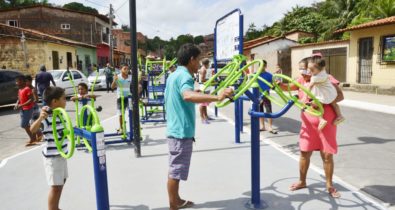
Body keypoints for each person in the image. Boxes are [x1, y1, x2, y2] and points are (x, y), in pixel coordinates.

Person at [165, 43, 233, 210]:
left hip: (175, 128)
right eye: (199, 60)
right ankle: (173, 205)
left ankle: (177, 200)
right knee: (175, 171)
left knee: (176, 169)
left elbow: (186, 94)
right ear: (192, 59)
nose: (199, 64)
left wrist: (206, 94)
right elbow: (187, 95)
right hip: (180, 131)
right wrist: (217, 98)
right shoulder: (186, 76)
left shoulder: (174, 75)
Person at [280, 57, 344, 198]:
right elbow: (287, 88)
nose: (304, 72)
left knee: (326, 154)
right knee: (304, 152)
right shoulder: (301, 80)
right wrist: (277, 84)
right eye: (301, 69)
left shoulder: (325, 78)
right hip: (308, 124)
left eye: (306, 69)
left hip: (326, 122)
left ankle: (329, 185)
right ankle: (302, 181)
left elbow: (340, 96)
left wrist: (320, 101)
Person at [30, 86, 68, 210]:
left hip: (61, 154)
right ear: (55, 102)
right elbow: (33, 129)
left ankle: (56, 207)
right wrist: (41, 117)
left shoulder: (60, 114)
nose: (66, 101)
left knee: (61, 182)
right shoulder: (47, 115)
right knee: (55, 187)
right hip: (53, 157)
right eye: (63, 98)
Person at [305, 56, 345, 130]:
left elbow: (309, 87)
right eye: (308, 68)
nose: (309, 71)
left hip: (324, 94)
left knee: (317, 105)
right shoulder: (323, 72)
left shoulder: (315, 77)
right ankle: (339, 116)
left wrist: (305, 97)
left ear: (319, 69)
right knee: (334, 103)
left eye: (312, 70)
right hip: (330, 91)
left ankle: (321, 119)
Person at [15, 75, 37, 146]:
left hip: (28, 109)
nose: (16, 83)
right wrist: (16, 104)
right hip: (22, 110)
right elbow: (19, 98)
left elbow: (31, 100)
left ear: (22, 81)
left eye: (17, 81)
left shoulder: (27, 89)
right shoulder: (19, 90)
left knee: (23, 125)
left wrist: (21, 105)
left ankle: (33, 138)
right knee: (26, 125)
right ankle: (34, 137)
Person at [258, 60, 277, 134]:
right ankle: (262, 126)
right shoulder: (255, 75)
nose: (262, 67)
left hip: (266, 95)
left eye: (263, 65)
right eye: (261, 65)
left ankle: (270, 126)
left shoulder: (269, 75)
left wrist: (273, 86)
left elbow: (273, 84)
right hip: (258, 96)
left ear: (265, 66)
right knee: (260, 111)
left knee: (269, 111)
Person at [111, 65, 131, 134]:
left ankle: (132, 127)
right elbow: (112, 87)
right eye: (125, 69)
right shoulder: (118, 77)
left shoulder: (130, 77)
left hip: (128, 97)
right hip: (120, 97)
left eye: (127, 69)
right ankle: (121, 128)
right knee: (121, 114)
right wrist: (114, 80)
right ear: (121, 69)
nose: (126, 70)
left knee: (131, 112)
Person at [25, 75, 43, 142]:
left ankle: (37, 136)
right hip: (29, 109)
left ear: (30, 81)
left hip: (34, 109)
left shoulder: (33, 89)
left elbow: (37, 100)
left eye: (26, 81)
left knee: (32, 124)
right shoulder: (26, 89)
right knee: (32, 123)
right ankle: (37, 136)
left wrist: (30, 101)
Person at [198, 58, 211, 124]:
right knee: (202, 104)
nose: (209, 64)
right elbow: (203, 79)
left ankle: (206, 116)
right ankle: (202, 118)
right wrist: (210, 80)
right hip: (204, 88)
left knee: (205, 104)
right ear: (207, 63)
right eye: (209, 63)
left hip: (206, 88)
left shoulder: (204, 69)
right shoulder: (203, 69)